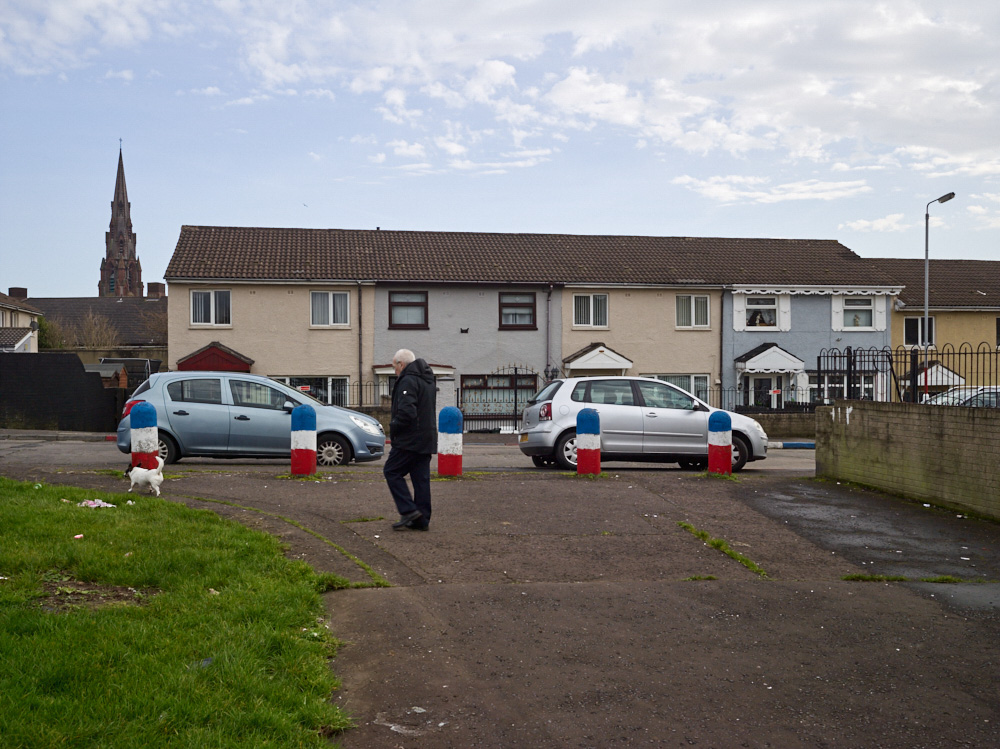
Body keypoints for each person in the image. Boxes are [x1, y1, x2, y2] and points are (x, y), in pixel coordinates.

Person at [384, 349, 437, 531]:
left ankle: (408, 510)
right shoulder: (427, 379)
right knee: (420, 479)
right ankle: (422, 520)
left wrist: (394, 427)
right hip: (426, 437)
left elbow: (407, 412)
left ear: (401, 364)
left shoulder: (408, 380)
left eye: (394, 367)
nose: (394, 371)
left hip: (409, 439)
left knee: (391, 471)